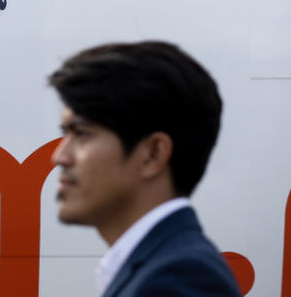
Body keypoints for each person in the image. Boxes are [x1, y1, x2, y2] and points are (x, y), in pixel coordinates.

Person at [48, 41, 241, 297]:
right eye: (65, 134)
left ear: (153, 154)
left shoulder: (180, 277)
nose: (59, 156)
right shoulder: (161, 266)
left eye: (82, 134)